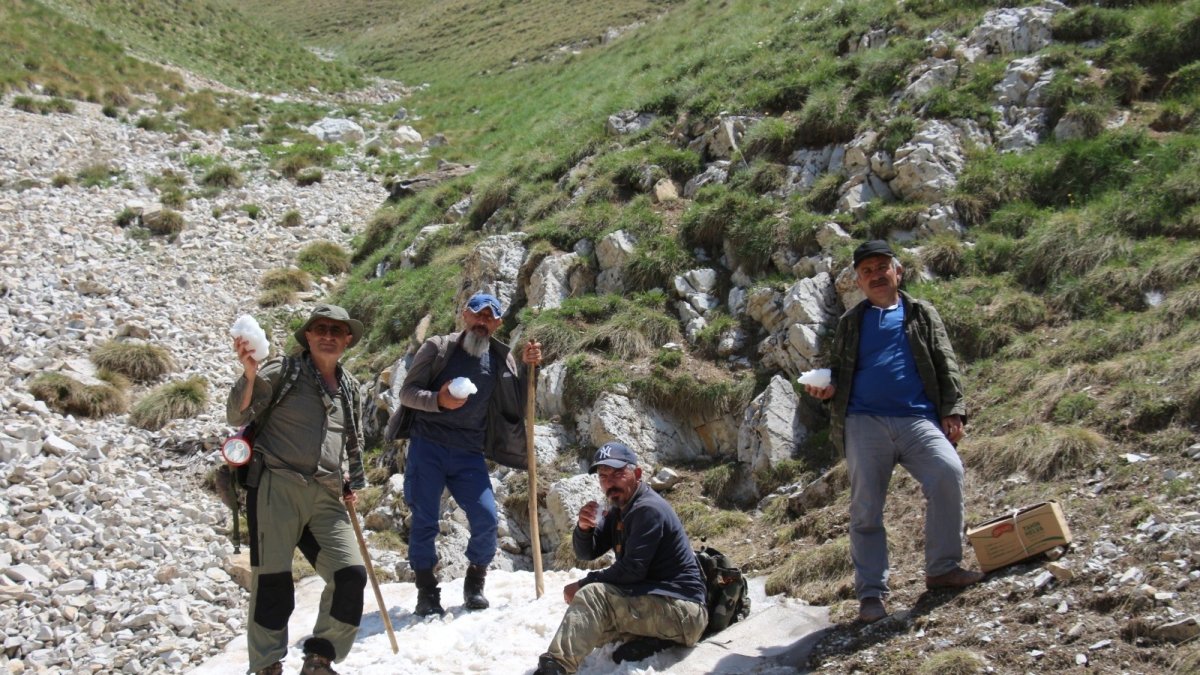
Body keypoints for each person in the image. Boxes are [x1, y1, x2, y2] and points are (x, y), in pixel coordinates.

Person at [805, 240, 983, 624]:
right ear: (859, 281)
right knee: (866, 508)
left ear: (897, 272)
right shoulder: (851, 322)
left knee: (948, 473)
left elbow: (945, 362)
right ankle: (871, 594)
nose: (875, 275)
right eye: (866, 271)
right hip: (863, 420)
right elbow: (839, 371)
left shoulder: (921, 312)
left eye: (882, 267)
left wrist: (954, 411)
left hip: (918, 418)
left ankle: (942, 569)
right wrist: (826, 388)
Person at [226, 304, 369, 675]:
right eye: (320, 328)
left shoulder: (350, 386)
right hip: (276, 485)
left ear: (347, 339)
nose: (328, 336)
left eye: (336, 331)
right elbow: (237, 415)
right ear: (307, 335)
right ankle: (266, 664)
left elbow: (349, 438)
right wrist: (250, 373)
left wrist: (349, 480)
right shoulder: (283, 370)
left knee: (350, 575)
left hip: (325, 493)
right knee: (273, 580)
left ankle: (320, 658)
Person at [395, 292, 542, 616]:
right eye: (478, 314)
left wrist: (531, 369)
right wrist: (439, 401)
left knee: (487, 517)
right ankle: (427, 592)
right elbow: (407, 393)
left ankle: (475, 582)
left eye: (490, 317)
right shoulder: (438, 347)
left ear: (498, 323)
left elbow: (518, 404)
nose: (482, 322)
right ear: (465, 315)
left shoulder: (503, 358)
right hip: (427, 447)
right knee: (424, 521)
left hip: (469, 453)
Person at [534, 442, 708, 675]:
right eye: (603, 475)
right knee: (590, 627)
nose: (610, 481)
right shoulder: (621, 508)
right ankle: (654, 641)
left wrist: (583, 584)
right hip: (658, 603)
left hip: (683, 611)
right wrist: (584, 528)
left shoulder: (648, 509)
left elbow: (631, 570)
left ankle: (556, 667)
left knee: (593, 596)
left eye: (617, 473)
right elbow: (587, 553)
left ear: (636, 474)